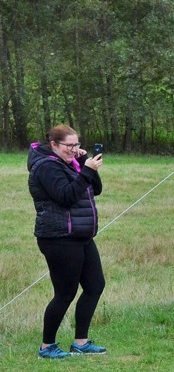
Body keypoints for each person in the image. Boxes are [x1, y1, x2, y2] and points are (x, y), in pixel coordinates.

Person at [27, 125, 107, 359]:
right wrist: (85, 171)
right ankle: (47, 347)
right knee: (65, 292)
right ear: (54, 144)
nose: (74, 149)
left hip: (81, 235)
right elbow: (66, 196)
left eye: (76, 145)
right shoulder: (46, 167)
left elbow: (96, 189)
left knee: (95, 285)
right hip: (58, 237)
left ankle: (81, 342)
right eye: (69, 145)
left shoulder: (71, 163)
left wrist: (85, 164)